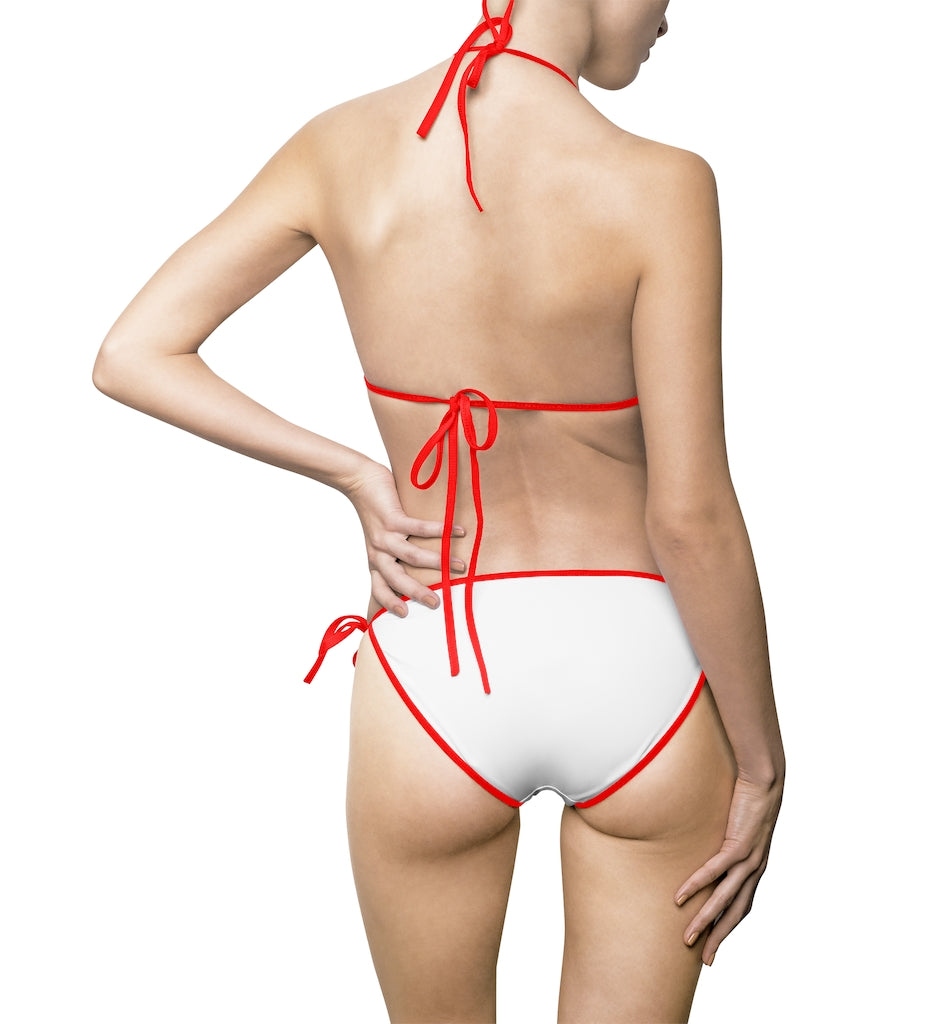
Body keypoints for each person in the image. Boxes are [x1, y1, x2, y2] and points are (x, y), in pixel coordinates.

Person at [92, 0, 785, 1019]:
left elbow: (132, 352)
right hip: (644, 671)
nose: (669, 17)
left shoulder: (339, 147)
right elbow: (691, 519)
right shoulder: (664, 183)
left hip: (433, 663)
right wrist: (762, 763)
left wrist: (358, 475)